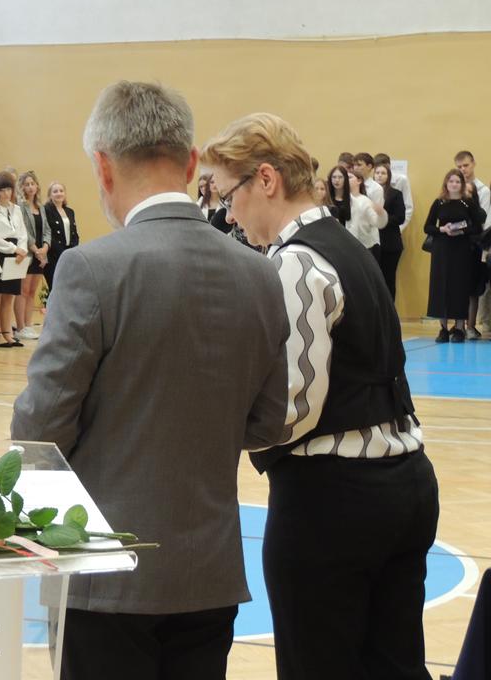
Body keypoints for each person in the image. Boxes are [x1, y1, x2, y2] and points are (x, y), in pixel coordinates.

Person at [12, 82, 289, 680]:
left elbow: (40, 429)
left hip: (104, 572)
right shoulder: (260, 272)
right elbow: (269, 422)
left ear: (102, 167)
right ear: (191, 164)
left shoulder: (90, 267)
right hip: (209, 570)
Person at [203, 112, 438, 680]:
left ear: (265, 179)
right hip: (404, 484)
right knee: (394, 665)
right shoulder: (346, 245)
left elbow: (291, 411)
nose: (228, 214)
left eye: (228, 195)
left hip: (336, 501)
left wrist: (214, 430)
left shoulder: (298, 261)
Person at [425, 168, 486, 343]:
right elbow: (427, 227)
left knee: (460, 287)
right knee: (441, 286)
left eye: (457, 181)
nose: (454, 184)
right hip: (441, 250)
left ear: (462, 184)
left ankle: (459, 328)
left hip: (461, 249)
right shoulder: (439, 202)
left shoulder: (468, 203)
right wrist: (442, 229)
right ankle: (443, 328)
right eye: (451, 181)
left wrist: (461, 231)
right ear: (446, 183)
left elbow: (477, 227)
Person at [0, 171, 28, 348]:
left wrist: (22, 249)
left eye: (9, 189)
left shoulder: (16, 209)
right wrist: (13, 249)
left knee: (10, 295)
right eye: (2, 190)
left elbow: (22, 232)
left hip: (17, 254)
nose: (6, 193)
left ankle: (7, 332)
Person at [454, 150, 490, 338]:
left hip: (476, 243)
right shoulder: (453, 188)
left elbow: (484, 220)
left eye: (466, 165)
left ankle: (472, 325)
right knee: (457, 287)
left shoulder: (483, 191)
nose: (463, 169)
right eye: (459, 167)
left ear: (473, 164)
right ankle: (457, 326)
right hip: (457, 245)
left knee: (475, 288)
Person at [16, 171, 50, 340]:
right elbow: (23, 230)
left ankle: (28, 325)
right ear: (22, 187)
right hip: (28, 253)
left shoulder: (41, 207)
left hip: (40, 254)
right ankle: (20, 327)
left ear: (37, 186)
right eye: (27, 184)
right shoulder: (20, 206)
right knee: (22, 291)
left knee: (31, 292)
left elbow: (47, 230)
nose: (30, 187)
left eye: (32, 184)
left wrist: (45, 248)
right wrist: (36, 250)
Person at [374, 162, 406, 299]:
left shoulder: (395, 194)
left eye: (383, 173)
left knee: (388, 279)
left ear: (388, 176)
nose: (380, 176)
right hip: (373, 242)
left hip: (390, 243)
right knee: (373, 280)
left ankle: (389, 309)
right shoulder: (367, 193)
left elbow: (400, 218)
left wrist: (382, 218)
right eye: (377, 173)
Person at [43, 181, 79, 292]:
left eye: (61, 191)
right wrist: (62, 251)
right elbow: (48, 233)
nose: (59, 193)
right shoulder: (46, 210)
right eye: (55, 191)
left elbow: (74, 233)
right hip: (53, 255)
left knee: (69, 287)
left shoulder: (70, 211)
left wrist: (72, 250)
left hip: (68, 254)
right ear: (50, 195)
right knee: (56, 287)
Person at [345, 168, 383, 261]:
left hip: (365, 245)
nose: (346, 180)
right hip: (347, 244)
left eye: (349, 177)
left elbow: (374, 223)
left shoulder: (365, 201)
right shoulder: (343, 200)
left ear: (359, 181)